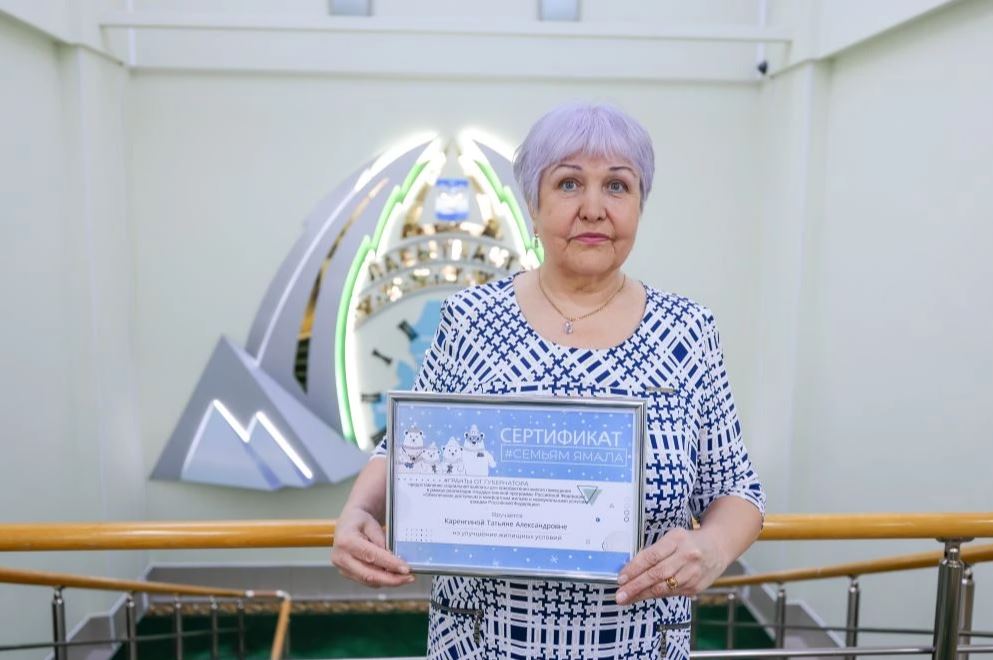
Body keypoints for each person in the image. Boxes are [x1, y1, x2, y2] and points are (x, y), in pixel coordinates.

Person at [332, 102, 766, 659]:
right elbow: (403, 447)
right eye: (568, 183)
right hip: (479, 643)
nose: (594, 209)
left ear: (640, 205)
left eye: (617, 186)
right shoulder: (470, 321)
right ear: (533, 208)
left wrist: (714, 547)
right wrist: (358, 512)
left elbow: (738, 489)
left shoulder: (687, 334)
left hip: (637, 645)